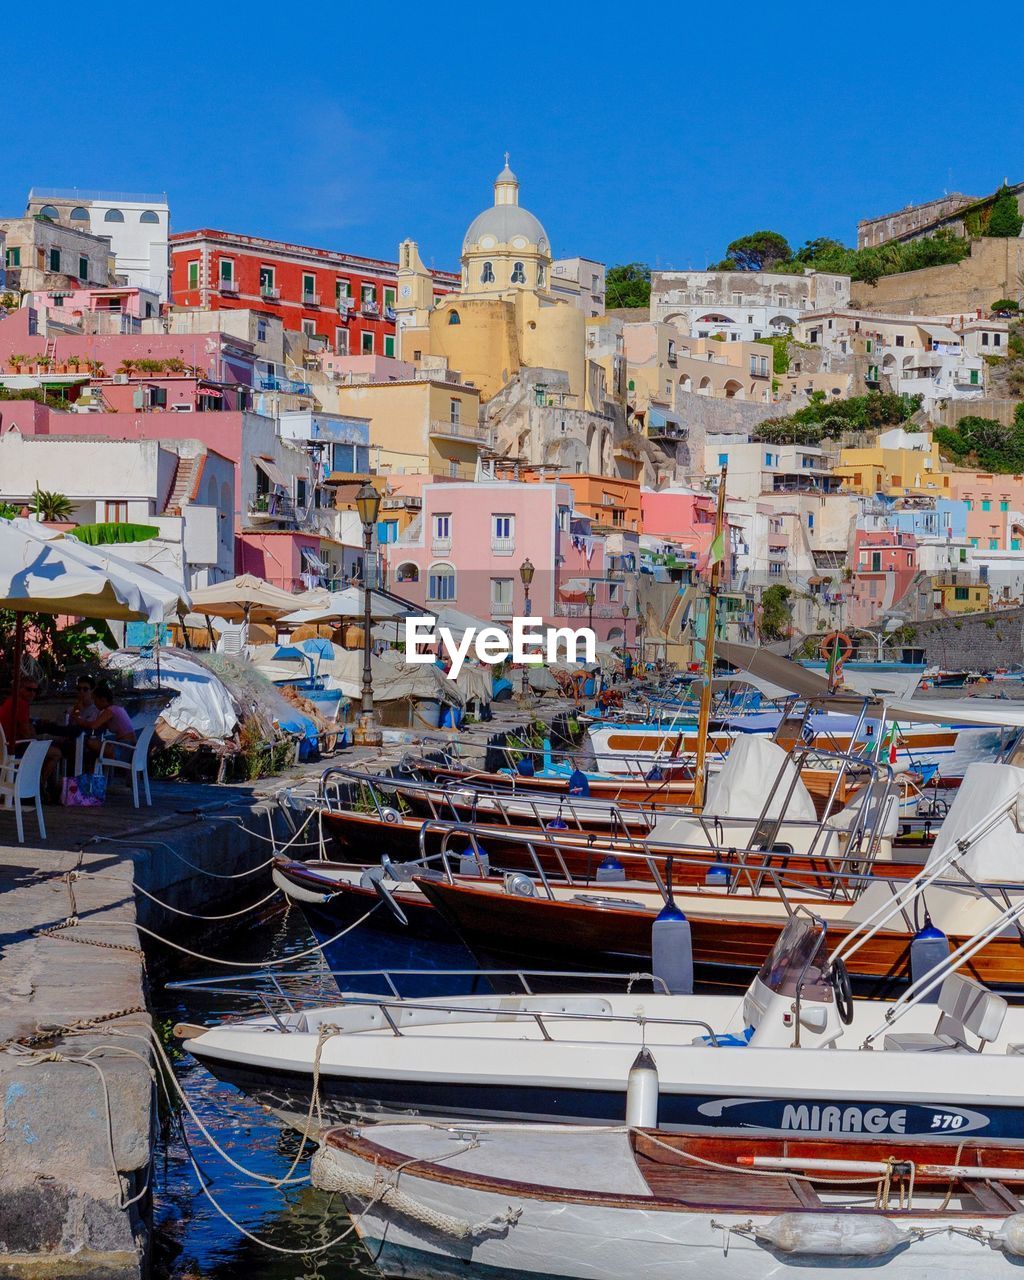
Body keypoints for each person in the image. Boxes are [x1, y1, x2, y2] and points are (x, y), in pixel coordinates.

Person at [0, 677, 63, 791]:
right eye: (29, 689)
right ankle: (38, 787)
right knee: (56, 753)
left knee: (45, 749)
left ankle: (41, 786)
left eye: (35, 690)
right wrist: (35, 737)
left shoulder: (11, 701)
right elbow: (26, 735)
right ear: (19, 689)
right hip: (13, 748)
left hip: (5, 747)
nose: (32, 693)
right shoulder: (21, 704)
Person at [84, 681, 136, 770]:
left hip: (124, 749)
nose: (94, 703)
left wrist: (78, 720)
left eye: (95, 700)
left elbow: (94, 726)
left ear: (103, 699)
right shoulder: (116, 708)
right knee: (93, 750)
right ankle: (95, 776)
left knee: (90, 743)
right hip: (130, 748)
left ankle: (90, 776)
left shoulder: (110, 710)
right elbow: (100, 725)